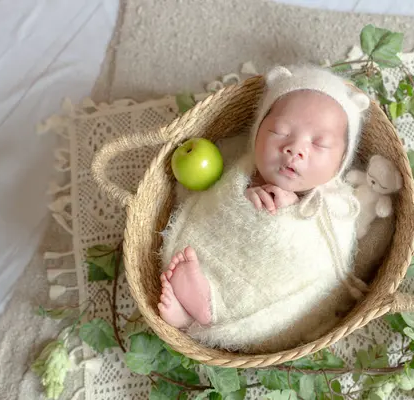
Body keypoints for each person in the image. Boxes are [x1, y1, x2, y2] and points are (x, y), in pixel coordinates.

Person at [157, 64, 372, 352]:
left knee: (277, 288)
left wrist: (291, 215)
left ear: (342, 160)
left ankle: (205, 313)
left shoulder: (336, 204)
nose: (295, 149)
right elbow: (221, 202)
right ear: (257, 133)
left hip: (277, 278)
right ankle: (195, 313)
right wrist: (244, 197)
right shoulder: (243, 166)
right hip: (225, 252)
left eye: (319, 144)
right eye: (280, 132)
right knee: (209, 239)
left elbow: (323, 256)